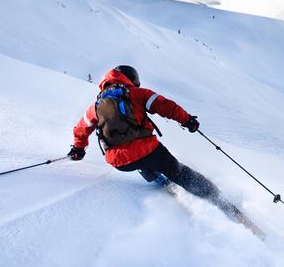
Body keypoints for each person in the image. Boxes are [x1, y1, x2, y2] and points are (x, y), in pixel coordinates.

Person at [67, 65, 221, 200]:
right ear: (132, 78)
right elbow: (165, 106)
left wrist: (78, 149)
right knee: (178, 171)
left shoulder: (96, 106)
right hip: (149, 152)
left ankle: (161, 182)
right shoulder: (137, 93)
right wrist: (187, 120)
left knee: (139, 161)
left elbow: (81, 129)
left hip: (119, 162)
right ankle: (217, 198)